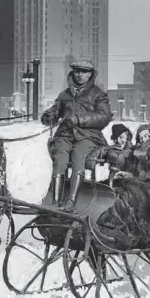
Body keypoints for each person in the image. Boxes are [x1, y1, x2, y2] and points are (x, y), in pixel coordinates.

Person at [40, 59, 112, 210]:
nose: (80, 75)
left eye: (84, 72)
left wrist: (79, 120)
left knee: (78, 157)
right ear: (73, 73)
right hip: (65, 135)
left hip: (88, 136)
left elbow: (104, 116)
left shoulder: (99, 95)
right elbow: (55, 110)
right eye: (77, 71)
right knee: (60, 160)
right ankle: (55, 202)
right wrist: (49, 116)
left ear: (91, 75)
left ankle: (71, 202)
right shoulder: (64, 95)